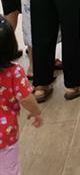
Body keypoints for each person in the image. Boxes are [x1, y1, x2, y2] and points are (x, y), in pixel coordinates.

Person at [0, 16, 42, 174]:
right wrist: (36, 112)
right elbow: (25, 98)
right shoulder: (14, 72)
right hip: (5, 134)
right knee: (9, 169)